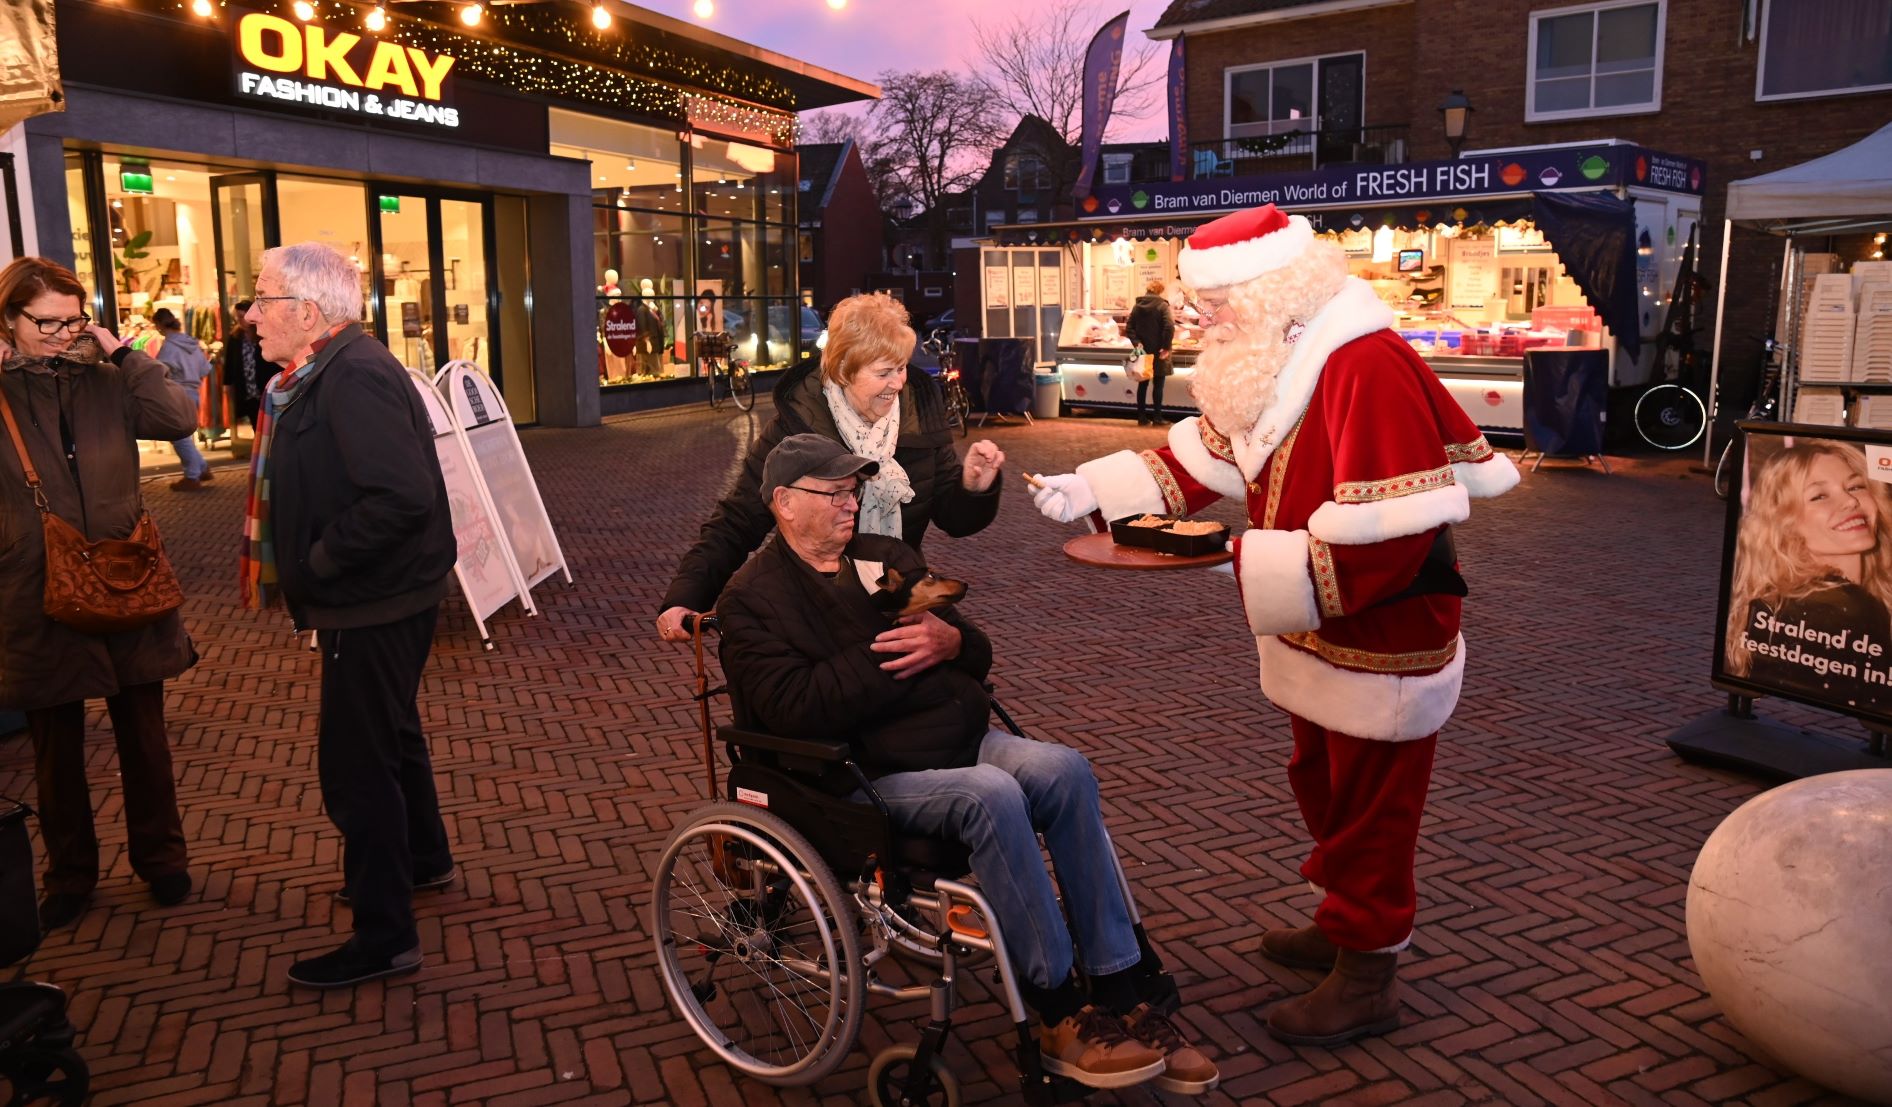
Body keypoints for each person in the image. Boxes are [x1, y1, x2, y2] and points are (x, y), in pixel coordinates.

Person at [1031, 204, 1519, 1046]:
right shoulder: (1273, 354)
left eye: (1212, 304)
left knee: (1373, 806)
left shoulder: (1367, 366)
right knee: (1321, 780)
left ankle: (1369, 975)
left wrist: (1244, 560)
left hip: (1381, 635)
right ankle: (1343, 921)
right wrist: (1093, 490)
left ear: (1269, 290)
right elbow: (1211, 454)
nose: (1199, 319)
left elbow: (1393, 540)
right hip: (1309, 630)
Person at [716, 433, 1218, 1095]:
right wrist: (888, 652)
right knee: (991, 795)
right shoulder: (752, 599)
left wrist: (950, 638)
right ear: (783, 503)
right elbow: (790, 709)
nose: (850, 503)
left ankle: (1124, 984)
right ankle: (1059, 1009)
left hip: (949, 737)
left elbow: (974, 648)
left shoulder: (881, 556)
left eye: (853, 489)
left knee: (1065, 769)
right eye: (832, 492)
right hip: (859, 774)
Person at [239, 242, 458, 990]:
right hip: (383, 594)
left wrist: (316, 564)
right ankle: (423, 860)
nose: (250, 313)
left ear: (307, 311)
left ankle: (383, 932)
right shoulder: (327, 371)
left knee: (355, 766)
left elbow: (401, 497)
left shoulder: (352, 375)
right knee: (392, 733)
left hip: (372, 599)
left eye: (262, 298)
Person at [0, 257, 197, 929]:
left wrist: (121, 349)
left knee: (144, 733)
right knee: (54, 745)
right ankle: (71, 873)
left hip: (124, 572)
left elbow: (176, 416)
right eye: (44, 321)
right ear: (8, 319)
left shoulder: (108, 380)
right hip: (34, 585)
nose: (61, 333)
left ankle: (163, 859)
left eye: (73, 318)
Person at [656, 292, 1005, 641]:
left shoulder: (918, 413)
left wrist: (975, 486)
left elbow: (955, 519)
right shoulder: (797, 428)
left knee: (965, 657)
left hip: (899, 591)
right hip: (819, 599)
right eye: (884, 372)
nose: (899, 383)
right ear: (842, 370)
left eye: (901, 368)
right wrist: (686, 597)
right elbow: (739, 519)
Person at [1724, 441, 1892, 712]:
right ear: (1784, 523)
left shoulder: (1780, 597)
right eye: (1819, 496)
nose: (1850, 501)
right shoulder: (1843, 608)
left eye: (1855, 486)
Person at [150, 307, 212, 491]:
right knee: (184, 434)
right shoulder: (192, 344)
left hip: (177, 391)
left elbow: (161, 371)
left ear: (160, 325)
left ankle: (193, 475)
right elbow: (204, 370)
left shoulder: (169, 347)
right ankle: (200, 468)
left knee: (179, 435)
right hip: (193, 391)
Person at [221, 299, 279, 437]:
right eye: (237, 317)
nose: (239, 320)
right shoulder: (235, 337)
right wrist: (227, 383)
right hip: (247, 388)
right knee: (256, 423)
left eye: (242, 317)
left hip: (264, 383)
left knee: (270, 423)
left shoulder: (263, 334)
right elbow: (230, 361)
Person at [1124, 279, 1175, 426]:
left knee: (1143, 384)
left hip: (1143, 351)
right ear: (1159, 291)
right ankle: (1157, 417)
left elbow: (1129, 327)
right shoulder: (1162, 305)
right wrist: (1165, 347)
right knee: (1158, 385)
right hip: (1159, 352)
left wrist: (1137, 343)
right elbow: (1169, 327)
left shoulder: (1137, 306)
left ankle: (1141, 417)